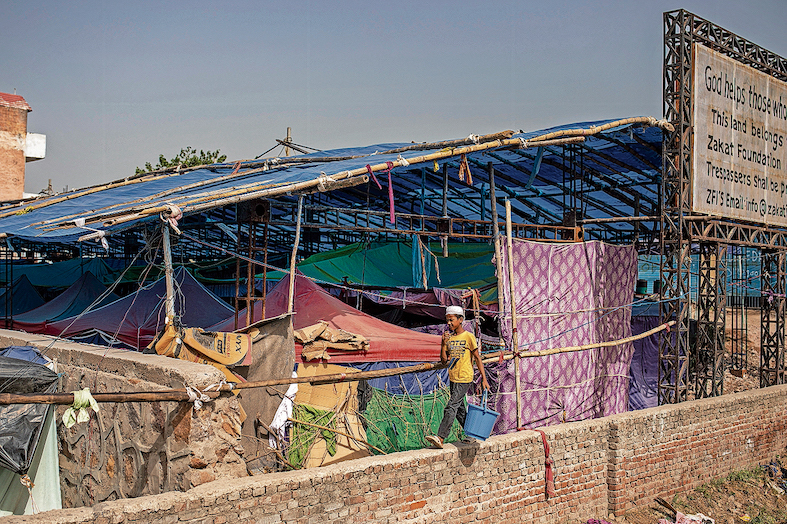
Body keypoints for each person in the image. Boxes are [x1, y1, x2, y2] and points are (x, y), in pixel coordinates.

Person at [425, 305, 490, 449]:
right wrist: (443, 344)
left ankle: (441, 437)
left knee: (451, 406)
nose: (449, 323)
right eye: (447, 321)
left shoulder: (468, 336)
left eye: (451, 320)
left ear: (460, 320)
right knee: (459, 408)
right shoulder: (449, 338)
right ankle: (472, 434)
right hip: (453, 378)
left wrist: (484, 379)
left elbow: (477, 358)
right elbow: (443, 360)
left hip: (465, 377)